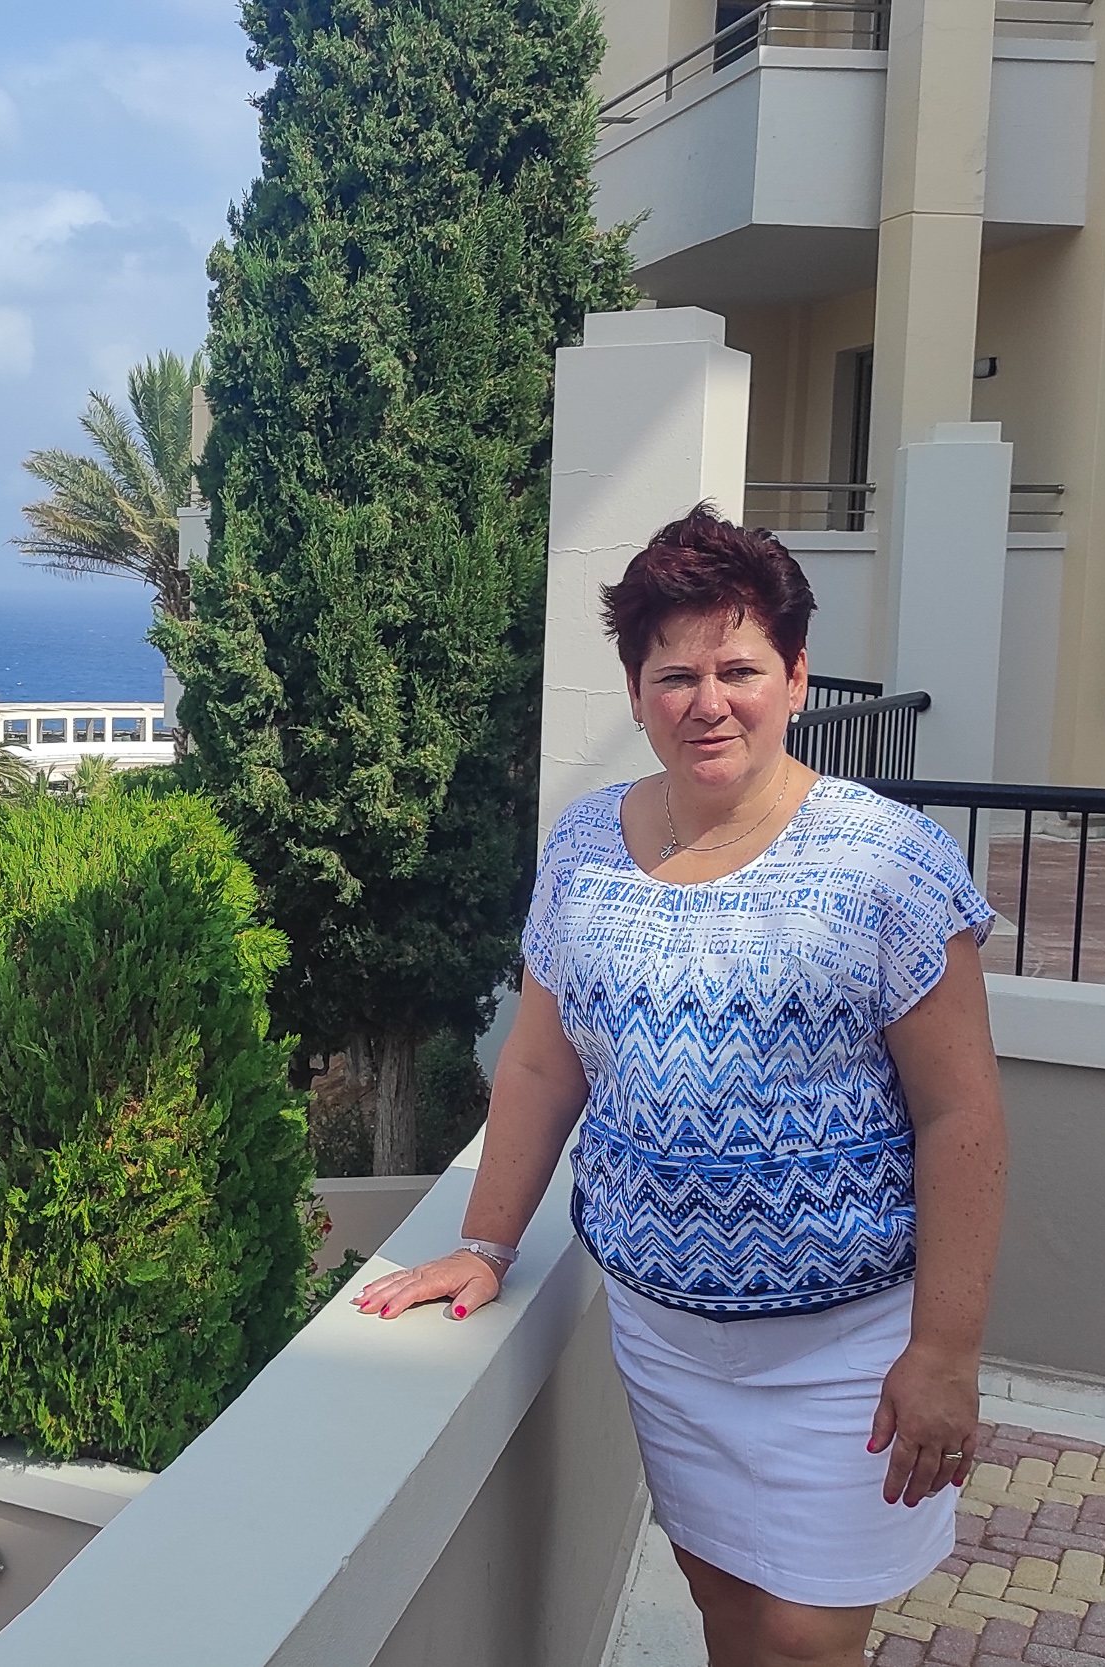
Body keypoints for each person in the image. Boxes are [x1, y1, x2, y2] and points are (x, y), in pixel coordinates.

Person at [354, 505, 1008, 1667]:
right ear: (635, 688)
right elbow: (542, 1059)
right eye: (675, 674)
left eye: (739, 669)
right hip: (664, 1334)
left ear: (795, 676)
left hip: (845, 1342)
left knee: (805, 1637)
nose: (709, 701)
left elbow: (960, 1112)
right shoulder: (583, 845)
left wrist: (945, 1350)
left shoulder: (887, 859)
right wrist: (485, 1242)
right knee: (722, 1604)